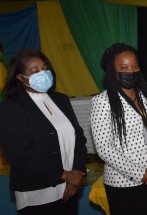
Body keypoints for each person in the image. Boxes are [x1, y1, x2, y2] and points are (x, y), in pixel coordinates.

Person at [0, 48, 88, 215]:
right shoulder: (10, 109)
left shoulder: (61, 100)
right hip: (37, 192)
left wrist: (75, 174)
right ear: (20, 77)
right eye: (35, 71)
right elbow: (20, 156)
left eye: (45, 68)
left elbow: (79, 139)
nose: (43, 73)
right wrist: (64, 175)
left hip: (70, 188)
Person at [90, 43, 147, 215]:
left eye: (135, 66)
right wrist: (140, 173)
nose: (131, 71)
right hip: (123, 184)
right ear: (113, 71)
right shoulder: (102, 102)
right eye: (124, 67)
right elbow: (104, 149)